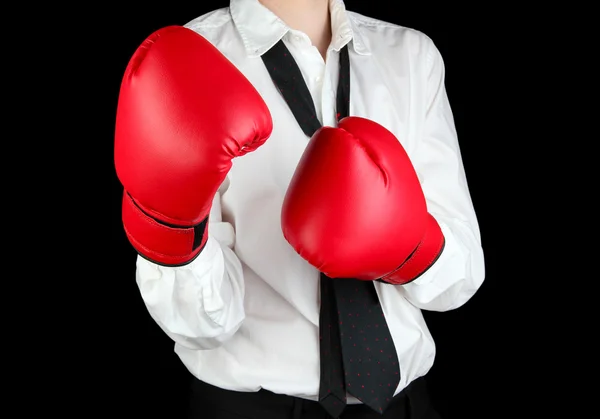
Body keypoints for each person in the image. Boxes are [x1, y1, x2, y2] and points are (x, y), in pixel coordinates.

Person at [113, 0, 486, 418]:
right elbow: (202, 325)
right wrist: (168, 222)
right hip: (251, 408)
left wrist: (407, 245)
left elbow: (461, 278)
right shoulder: (192, 57)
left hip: (406, 404)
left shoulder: (410, 56)